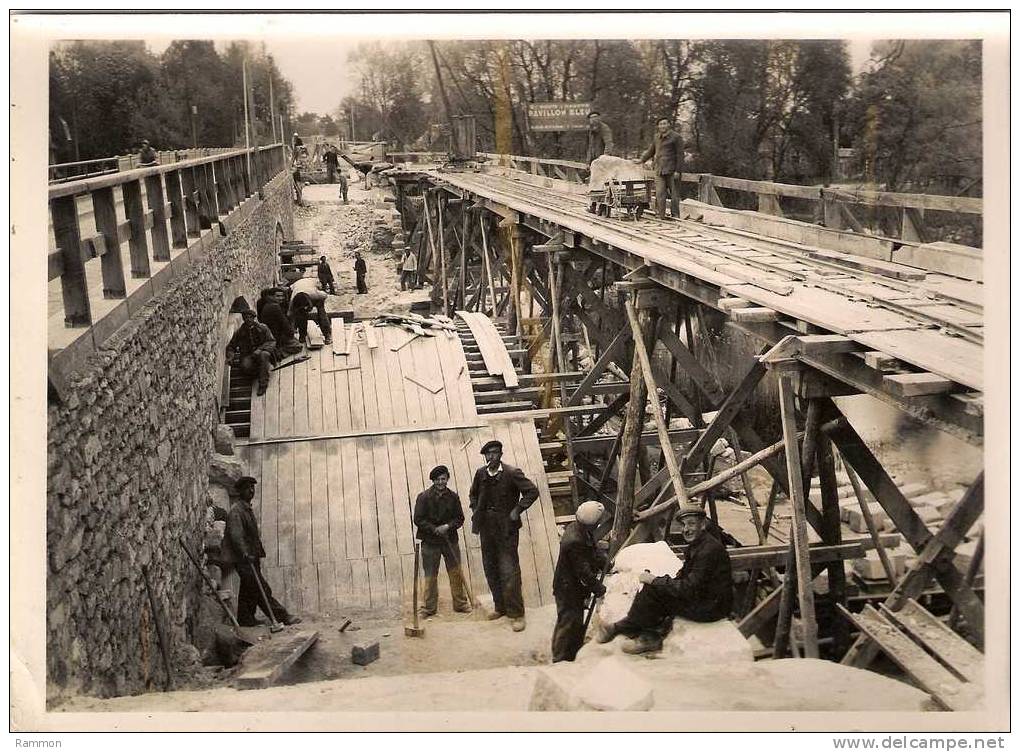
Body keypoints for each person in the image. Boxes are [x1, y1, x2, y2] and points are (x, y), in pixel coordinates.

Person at [598, 502, 733, 655]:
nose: (686, 529)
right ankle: (644, 633)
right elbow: (685, 576)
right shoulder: (698, 544)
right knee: (656, 587)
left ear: (702, 525)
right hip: (704, 598)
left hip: (711, 608)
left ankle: (631, 632)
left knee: (654, 590)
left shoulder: (708, 550)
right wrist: (661, 581)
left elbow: (689, 588)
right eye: (683, 525)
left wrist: (656, 581)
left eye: (691, 524)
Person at [468, 439, 539, 632]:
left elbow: (532, 492)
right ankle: (500, 607)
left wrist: (517, 509)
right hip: (486, 528)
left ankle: (516, 614)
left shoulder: (512, 473)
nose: (491, 457)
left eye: (495, 453)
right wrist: (476, 510)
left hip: (506, 529)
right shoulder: (480, 474)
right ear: (485, 456)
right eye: (488, 454)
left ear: (501, 455)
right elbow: (472, 494)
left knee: (509, 570)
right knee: (490, 569)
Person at [220, 476, 301, 627]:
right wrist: (245, 553)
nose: (251, 491)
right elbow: (236, 536)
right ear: (240, 491)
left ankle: (245, 619)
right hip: (243, 558)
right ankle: (282, 616)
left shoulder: (246, 509)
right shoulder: (236, 511)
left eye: (253, 488)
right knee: (260, 588)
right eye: (247, 488)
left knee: (248, 588)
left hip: (251, 556)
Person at [551, 501, 609, 662]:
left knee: (575, 623)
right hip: (567, 588)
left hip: (573, 586)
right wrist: (599, 589)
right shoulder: (575, 541)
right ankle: (559, 659)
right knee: (568, 622)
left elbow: (592, 551)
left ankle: (572, 654)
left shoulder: (579, 528)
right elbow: (583, 572)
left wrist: (605, 563)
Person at [413, 465, 472, 617]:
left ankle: (460, 604)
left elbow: (460, 518)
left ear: (447, 479)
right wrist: (434, 529)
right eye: (438, 479)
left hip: (449, 540)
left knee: (455, 572)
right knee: (431, 575)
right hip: (430, 542)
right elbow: (418, 519)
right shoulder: (423, 497)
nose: (441, 482)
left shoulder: (453, 497)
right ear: (433, 480)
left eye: (443, 479)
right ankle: (428, 608)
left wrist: (447, 526)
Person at [635, 117, 684, 219]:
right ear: (658, 126)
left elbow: (680, 155)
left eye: (664, 124)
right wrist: (641, 160)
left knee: (674, 194)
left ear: (669, 125)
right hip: (659, 170)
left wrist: (678, 171)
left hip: (672, 170)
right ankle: (660, 215)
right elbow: (650, 151)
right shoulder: (656, 137)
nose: (662, 126)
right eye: (660, 124)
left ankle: (675, 216)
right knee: (660, 193)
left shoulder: (676, 137)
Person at [226, 305, 276, 396]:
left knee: (264, 355)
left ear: (254, 318)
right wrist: (230, 356)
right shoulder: (240, 332)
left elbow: (271, 341)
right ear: (244, 319)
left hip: (262, 352)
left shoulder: (263, 328)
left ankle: (263, 384)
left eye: (250, 318)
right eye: (246, 318)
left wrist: (260, 349)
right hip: (248, 355)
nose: (248, 320)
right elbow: (231, 346)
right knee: (245, 367)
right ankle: (260, 370)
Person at [256, 288, 302, 356]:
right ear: (270, 296)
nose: (281, 298)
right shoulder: (275, 306)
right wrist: (291, 333)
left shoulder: (265, 304)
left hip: (269, 334)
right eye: (277, 296)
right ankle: (278, 353)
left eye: (282, 296)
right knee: (298, 346)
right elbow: (286, 325)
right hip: (275, 336)